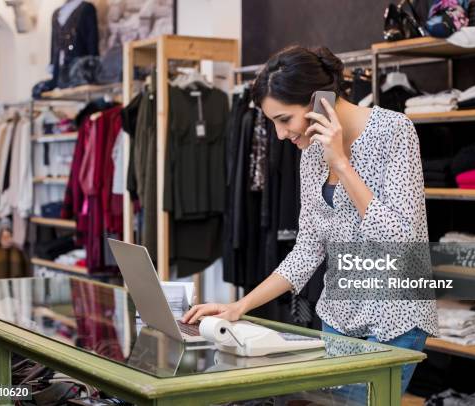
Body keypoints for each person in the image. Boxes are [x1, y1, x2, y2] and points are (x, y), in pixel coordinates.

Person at [183, 45, 438, 394]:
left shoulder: (394, 131)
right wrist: (237, 306)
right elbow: (307, 251)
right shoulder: (310, 155)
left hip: (394, 319)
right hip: (337, 317)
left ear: (321, 102)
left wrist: (342, 165)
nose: (280, 135)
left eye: (284, 119)